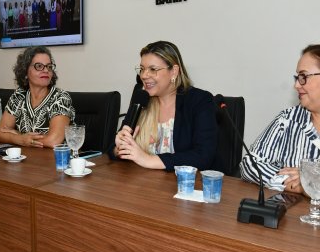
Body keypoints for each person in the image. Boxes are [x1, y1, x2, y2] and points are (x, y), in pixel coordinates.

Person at [110, 41, 217, 170]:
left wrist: (148, 160)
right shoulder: (141, 97)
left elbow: (203, 156)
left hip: (184, 185)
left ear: (174, 71)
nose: (144, 75)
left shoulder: (199, 100)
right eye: (142, 69)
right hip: (142, 183)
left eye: (153, 69)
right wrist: (119, 147)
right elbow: (111, 149)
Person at [240, 44, 320, 194]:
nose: (296, 85)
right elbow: (250, 164)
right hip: (292, 214)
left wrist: (311, 183)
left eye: (303, 77)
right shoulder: (288, 119)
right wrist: (291, 181)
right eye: (297, 77)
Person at [0, 46, 75, 148]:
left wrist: (19, 136)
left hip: (57, 160)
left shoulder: (60, 98)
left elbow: (54, 141)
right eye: (39, 66)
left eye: (49, 66)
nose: (46, 70)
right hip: (27, 158)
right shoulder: (18, 96)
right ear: (25, 71)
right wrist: (21, 139)